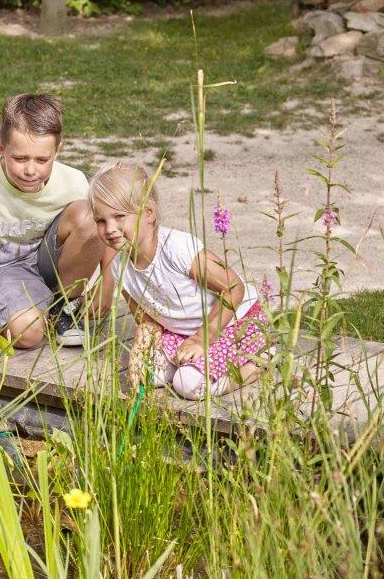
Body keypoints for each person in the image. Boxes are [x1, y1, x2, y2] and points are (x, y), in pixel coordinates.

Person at [88, 161, 269, 400]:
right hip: (185, 333)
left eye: (119, 216)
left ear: (148, 213)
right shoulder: (120, 267)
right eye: (101, 220)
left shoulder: (177, 248)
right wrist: (140, 350)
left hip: (231, 324)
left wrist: (201, 339)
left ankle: (255, 366)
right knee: (147, 374)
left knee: (189, 385)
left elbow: (234, 287)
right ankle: (193, 363)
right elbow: (148, 321)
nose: (109, 228)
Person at [0, 93, 104, 349]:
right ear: (1, 148)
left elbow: (105, 230)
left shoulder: (73, 180)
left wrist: (107, 284)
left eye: (42, 160)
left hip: (45, 264)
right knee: (29, 332)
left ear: (57, 150)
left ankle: (65, 308)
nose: (31, 170)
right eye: (19, 159)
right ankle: (5, 308)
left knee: (89, 216)